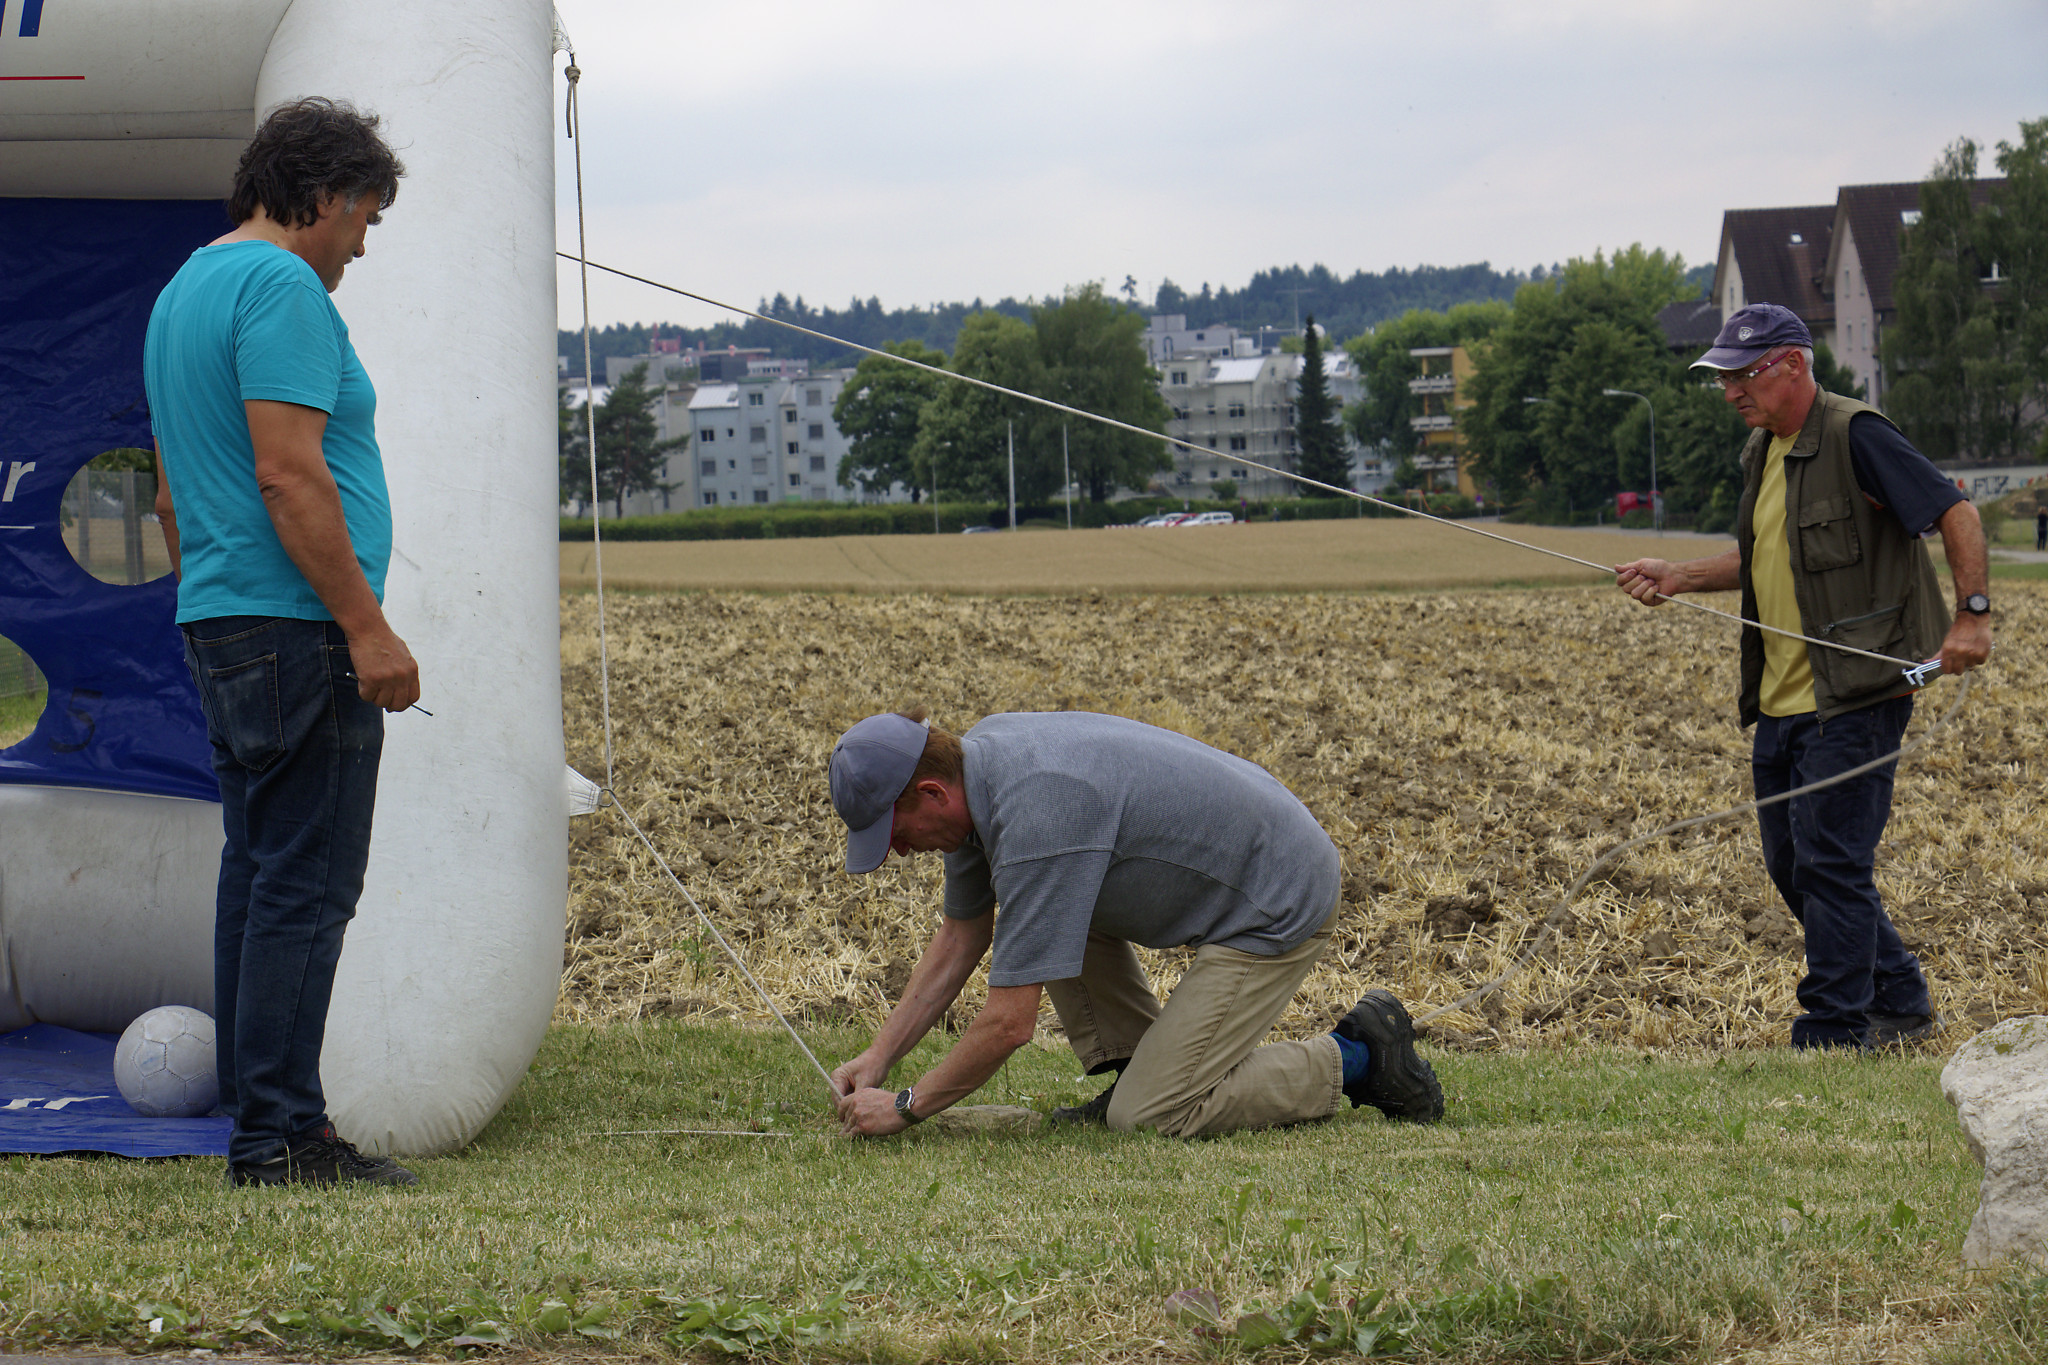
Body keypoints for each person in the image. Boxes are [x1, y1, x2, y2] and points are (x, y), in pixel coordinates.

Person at [144, 98, 421, 1185]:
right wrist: (366, 626)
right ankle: (283, 1136)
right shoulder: (282, 286)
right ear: (327, 195)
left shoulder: (185, 288)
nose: (362, 245)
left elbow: (171, 494)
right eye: (366, 218)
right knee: (307, 883)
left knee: (255, 871)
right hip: (299, 629)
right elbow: (289, 472)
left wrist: (214, 600)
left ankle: (253, 1114)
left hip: (221, 618)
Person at [1615, 303, 1992, 1050]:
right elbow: (1766, 555)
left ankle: (1832, 1030)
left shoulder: (1857, 434)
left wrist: (1972, 616)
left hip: (1858, 691)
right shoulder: (1763, 451)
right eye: (1722, 378)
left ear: (1792, 364)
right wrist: (1681, 575)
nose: (1731, 392)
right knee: (1794, 864)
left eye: (1744, 375)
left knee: (1830, 860)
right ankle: (1900, 999)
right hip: (1782, 698)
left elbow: (1957, 514)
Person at [825, 708, 1443, 1137]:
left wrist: (905, 1106)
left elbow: (1010, 1024)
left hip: (1278, 899)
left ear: (933, 793)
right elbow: (961, 936)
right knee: (1041, 912)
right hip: (1258, 864)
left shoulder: (1039, 813)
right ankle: (1139, 1072)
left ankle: (1360, 1056)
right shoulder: (980, 768)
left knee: (1150, 1115)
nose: (896, 851)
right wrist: (879, 1058)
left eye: (894, 832)